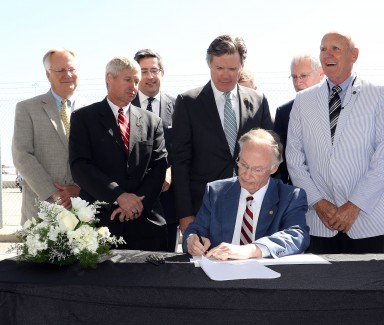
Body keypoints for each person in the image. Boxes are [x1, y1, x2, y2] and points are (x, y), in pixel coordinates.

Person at [286, 31, 384, 254]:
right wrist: (318, 202)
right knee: (321, 288)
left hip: (366, 220)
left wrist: (354, 206)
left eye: (335, 48)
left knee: (366, 288)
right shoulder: (303, 101)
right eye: (322, 49)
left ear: (354, 55)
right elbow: (294, 159)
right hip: (319, 222)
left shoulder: (380, 94)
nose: (327, 54)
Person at [172, 34, 274, 234]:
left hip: (253, 207)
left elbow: (271, 155)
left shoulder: (258, 101)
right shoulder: (188, 102)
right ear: (209, 65)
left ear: (242, 67)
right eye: (219, 68)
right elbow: (180, 162)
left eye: (232, 69)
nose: (225, 75)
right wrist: (185, 215)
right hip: (204, 209)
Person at [69, 56, 169, 251]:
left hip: (145, 221)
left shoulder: (152, 121)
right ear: (109, 78)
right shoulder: (84, 118)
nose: (133, 86)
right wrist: (118, 196)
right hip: (101, 222)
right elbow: (80, 166)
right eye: (128, 79)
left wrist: (136, 203)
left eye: (136, 81)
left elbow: (159, 166)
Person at [183, 128, 309, 259]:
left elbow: (297, 236)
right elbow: (196, 230)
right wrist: (192, 240)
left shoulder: (290, 197)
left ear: (274, 168)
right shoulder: (216, 192)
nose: (247, 175)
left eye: (257, 170)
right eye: (243, 164)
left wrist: (252, 250)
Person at [12, 48, 82, 225]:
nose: (68, 75)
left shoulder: (93, 111)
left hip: (82, 209)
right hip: (40, 210)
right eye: (60, 70)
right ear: (48, 74)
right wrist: (53, 192)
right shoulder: (27, 108)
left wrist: (79, 189)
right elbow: (22, 155)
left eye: (72, 69)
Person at [132, 49, 178, 252]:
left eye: (154, 70)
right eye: (143, 71)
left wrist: (171, 170)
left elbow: (185, 148)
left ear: (162, 72)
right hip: (133, 201)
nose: (150, 77)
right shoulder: (124, 106)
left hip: (168, 201)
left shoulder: (179, 106)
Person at [273, 54, 324, 184]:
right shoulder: (283, 113)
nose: (297, 82)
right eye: (294, 77)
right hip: (299, 194)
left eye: (303, 76)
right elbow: (280, 162)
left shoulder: (339, 107)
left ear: (321, 73)